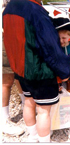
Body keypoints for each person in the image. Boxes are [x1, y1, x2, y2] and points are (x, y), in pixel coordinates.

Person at [3, 0, 70, 142]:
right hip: (40, 72)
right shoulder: (35, 10)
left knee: (28, 103)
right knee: (43, 112)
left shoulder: (8, 9)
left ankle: (33, 136)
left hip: (21, 69)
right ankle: (43, 141)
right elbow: (50, 46)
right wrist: (65, 71)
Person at [2, 0, 25, 137]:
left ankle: (25, 105)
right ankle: (3, 119)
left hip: (16, 37)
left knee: (19, 74)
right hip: (6, 36)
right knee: (6, 80)